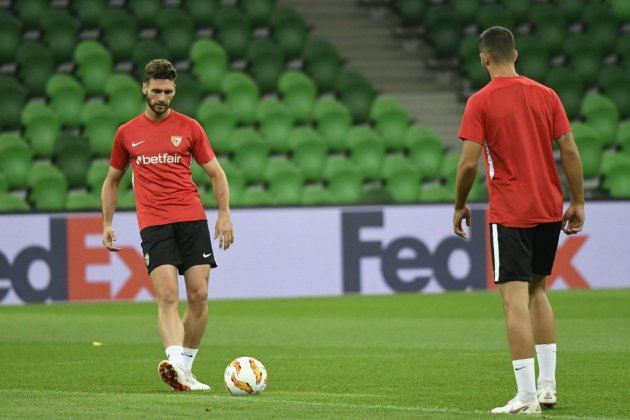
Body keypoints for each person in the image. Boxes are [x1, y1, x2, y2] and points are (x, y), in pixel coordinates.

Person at [453, 27, 585, 414]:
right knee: (538, 291)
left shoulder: (480, 101)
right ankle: (547, 387)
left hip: (510, 211)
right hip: (548, 207)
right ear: (517, 54)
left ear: (484, 59)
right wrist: (577, 201)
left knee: (512, 301)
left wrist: (460, 205)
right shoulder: (547, 95)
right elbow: (570, 150)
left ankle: (526, 396)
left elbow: (468, 164)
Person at [101, 59, 234, 392]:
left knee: (200, 295)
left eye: (168, 91)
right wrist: (106, 223)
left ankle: (184, 369)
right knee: (167, 297)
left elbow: (216, 173)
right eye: (156, 90)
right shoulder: (126, 133)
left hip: (191, 218)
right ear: (144, 88)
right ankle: (174, 361)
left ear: (174, 91)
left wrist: (224, 213)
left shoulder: (190, 127)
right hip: (154, 224)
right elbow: (113, 180)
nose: (162, 97)